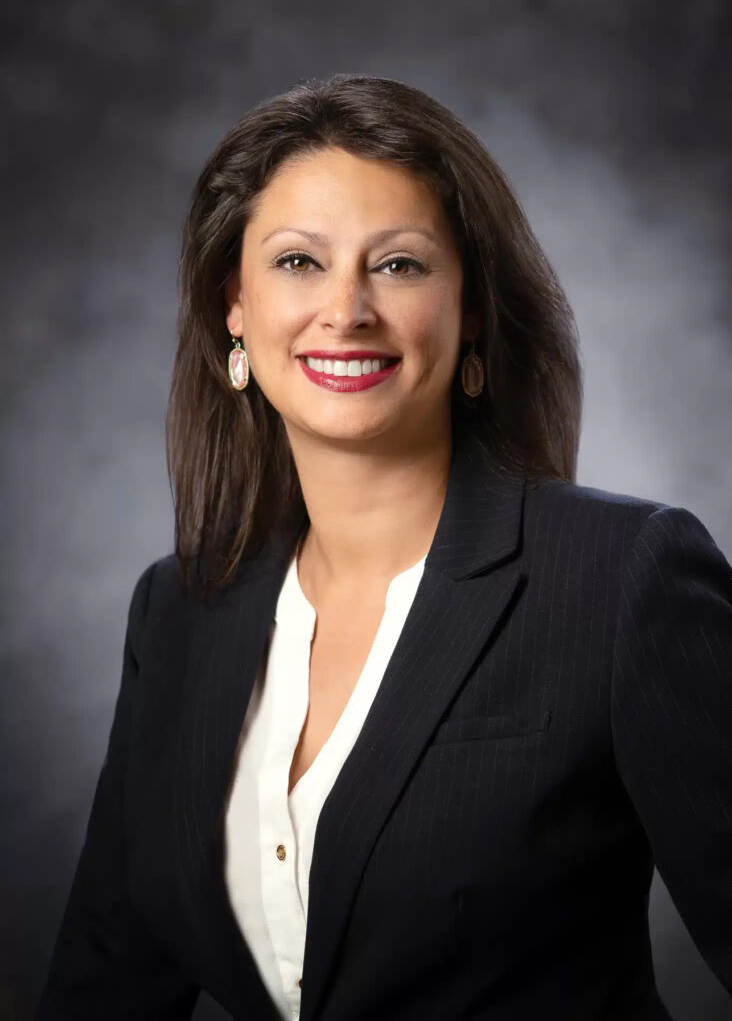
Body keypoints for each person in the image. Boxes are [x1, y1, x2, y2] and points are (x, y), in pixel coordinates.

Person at [37, 73, 732, 1021]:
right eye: (297, 263)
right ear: (231, 308)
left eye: (400, 265)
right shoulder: (178, 610)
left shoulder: (623, 577)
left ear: (473, 311)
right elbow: (104, 984)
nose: (347, 310)